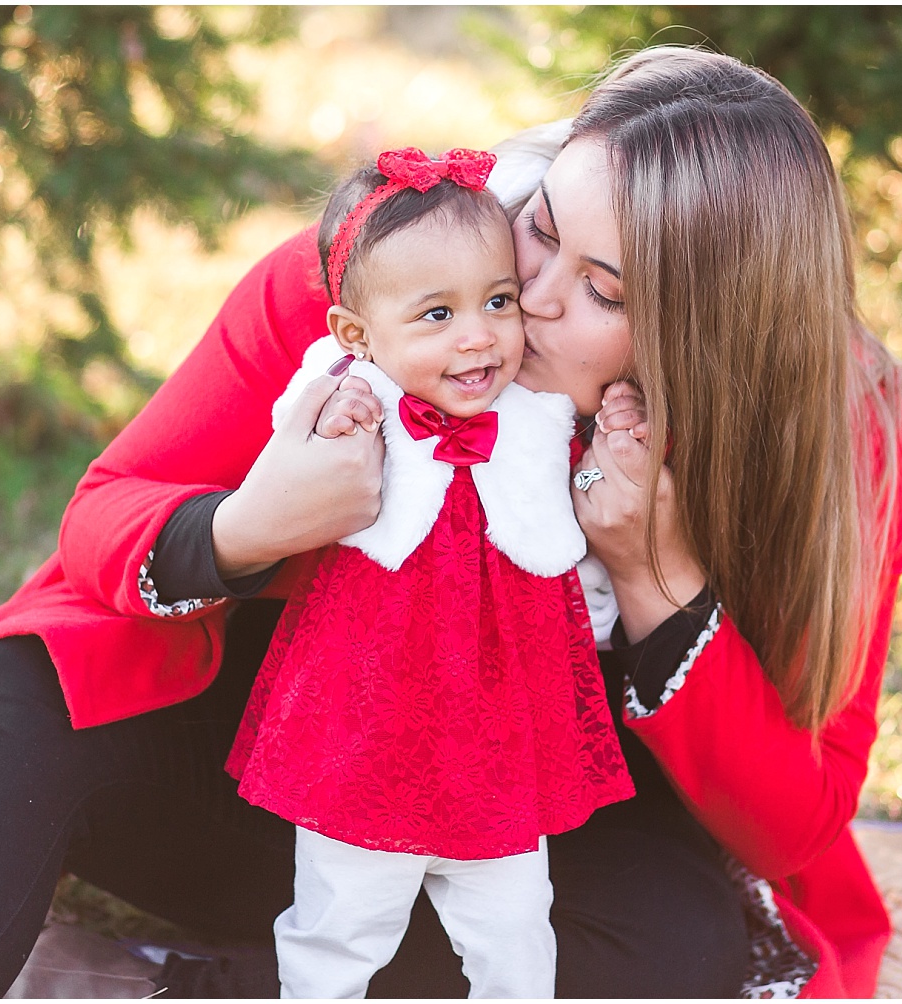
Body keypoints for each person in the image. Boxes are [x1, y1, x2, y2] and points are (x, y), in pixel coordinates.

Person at [0, 45, 902, 1000]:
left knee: (677, 944)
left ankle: (159, 980)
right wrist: (247, 524)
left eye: (605, 291)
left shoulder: (833, 435)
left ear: (708, 338)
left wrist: (653, 583)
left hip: (529, 827)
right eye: (541, 226)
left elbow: (798, 825)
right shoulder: (389, 279)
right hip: (281, 777)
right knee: (44, 673)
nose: (527, 296)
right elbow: (104, 516)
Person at [228, 145, 634, 998]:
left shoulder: (537, 412)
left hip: (498, 732)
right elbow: (292, 427)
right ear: (358, 335)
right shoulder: (355, 397)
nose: (479, 335)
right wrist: (337, 409)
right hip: (367, 724)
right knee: (344, 912)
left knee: (515, 920)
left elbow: (582, 500)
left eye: (497, 300)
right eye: (437, 315)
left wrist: (623, 432)